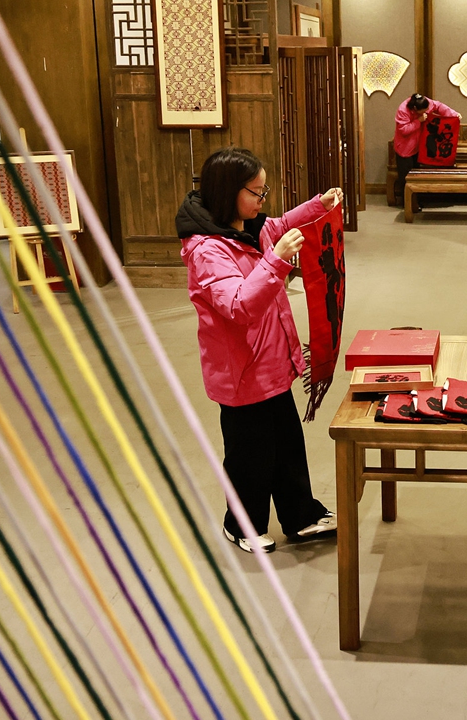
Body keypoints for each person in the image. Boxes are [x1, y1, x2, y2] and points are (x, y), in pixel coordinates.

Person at [176, 146, 343, 554]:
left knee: (287, 445)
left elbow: (280, 224)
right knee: (250, 456)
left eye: (264, 191)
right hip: (241, 373)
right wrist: (277, 261)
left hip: (270, 364)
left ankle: (300, 516)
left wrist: (318, 206)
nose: (262, 200)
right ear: (229, 191)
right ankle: (242, 525)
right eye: (256, 192)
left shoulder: (248, 225)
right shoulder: (207, 250)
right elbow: (238, 306)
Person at [393, 92, 460, 200]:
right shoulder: (403, 110)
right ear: (415, 108)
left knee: (417, 176)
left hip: (418, 147)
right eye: (423, 111)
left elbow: (438, 106)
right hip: (405, 148)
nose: (425, 112)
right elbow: (403, 130)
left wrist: (454, 114)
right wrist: (418, 121)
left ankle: (417, 201)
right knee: (406, 177)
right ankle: (406, 202)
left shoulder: (424, 102)